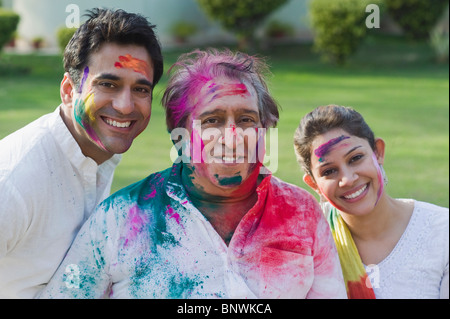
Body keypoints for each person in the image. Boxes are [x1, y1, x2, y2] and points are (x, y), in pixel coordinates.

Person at [39, 49, 346, 299]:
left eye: (246, 119)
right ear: (179, 135)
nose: (232, 136)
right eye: (212, 120)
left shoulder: (302, 213)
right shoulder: (120, 218)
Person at [0, 8, 163, 298]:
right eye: (107, 84)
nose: (125, 106)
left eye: (140, 89)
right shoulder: (15, 181)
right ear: (67, 90)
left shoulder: (100, 155)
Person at [293, 104, 449, 299]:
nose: (348, 179)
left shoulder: (442, 233)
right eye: (329, 171)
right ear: (313, 184)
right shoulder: (305, 242)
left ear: (378, 153)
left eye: (356, 158)